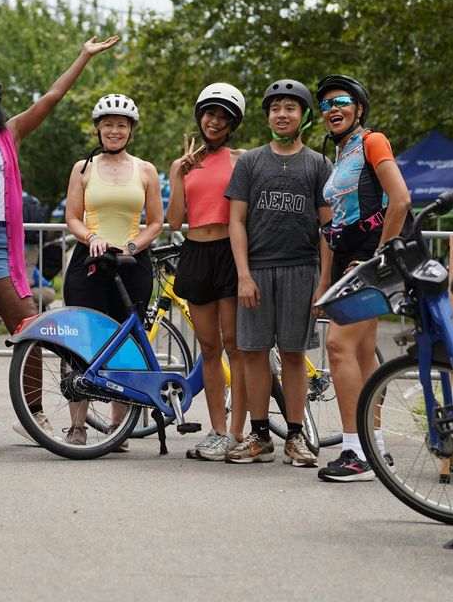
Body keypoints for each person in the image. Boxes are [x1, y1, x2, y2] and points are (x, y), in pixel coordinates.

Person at [0, 35, 120, 442]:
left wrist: (83, 56)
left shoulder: (10, 134)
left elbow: (51, 97)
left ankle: (33, 413)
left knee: (30, 324)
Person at [224, 79, 331, 468]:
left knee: (293, 353)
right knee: (253, 352)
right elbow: (236, 221)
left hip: (301, 268)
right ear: (267, 115)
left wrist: (324, 282)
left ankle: (296, 436)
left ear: (303, 115)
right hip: (257, 268)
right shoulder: (250, 162)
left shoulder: (318, 164)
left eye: (290, 107)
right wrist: (243, 274)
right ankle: (259, 435)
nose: (281, 114)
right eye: (275, 108)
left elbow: (328, 227)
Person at [314, 75, 410, 482]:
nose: (332, 109)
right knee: (363, 353)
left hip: (368, 257)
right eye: (325, 105)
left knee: (338, 347)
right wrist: (324, 282)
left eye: (341, 101)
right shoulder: (340, 156)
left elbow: (400, 199)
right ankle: (376, 445)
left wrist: (377, 258)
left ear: (358, 109)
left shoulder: (373, 141)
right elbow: (332, 227)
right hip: (346, 259)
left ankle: (356, 453)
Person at [62, 94, 164, 447]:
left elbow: (156, 222)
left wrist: (133, 246)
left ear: (131, 131)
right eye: (108, 125)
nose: (115, 131)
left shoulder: (146, 170)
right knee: (80, 342)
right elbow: (72, 217)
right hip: (90, 259)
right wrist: (92, 237)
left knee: (126, 343)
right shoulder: (83, 168)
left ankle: (118, 429)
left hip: (132, 261)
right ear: (98, 129)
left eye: (122, 125)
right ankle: (77, 426)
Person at [166, 83, 249, 461]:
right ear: (200, 118)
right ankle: (218, 430)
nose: (214, 121)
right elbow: (174, 221)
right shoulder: (181, 164)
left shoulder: (241, 159)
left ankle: (239, 432)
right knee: (210, 348)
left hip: (230, 253)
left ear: (232, 124)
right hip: (196, 252)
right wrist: (179, 176)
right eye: (209, 114)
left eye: (223, 117)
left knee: (236, 345)